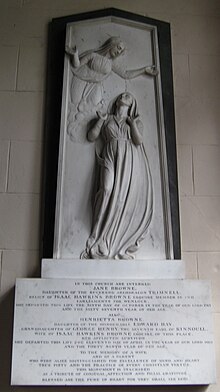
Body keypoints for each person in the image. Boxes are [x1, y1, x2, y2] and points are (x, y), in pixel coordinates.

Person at [81, 92, 153, 259]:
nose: (126, 94)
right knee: (106, 190)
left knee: (120, 198)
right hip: (109, 156)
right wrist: (100, 120)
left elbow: (138, 141)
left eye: (129, 96)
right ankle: (96, 233)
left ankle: (107, 239)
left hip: (127, 159)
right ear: (118, 102)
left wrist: (132, 123)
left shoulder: (134, 122)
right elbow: (91, 136)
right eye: (123, 95)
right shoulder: (107, 119)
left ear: (132, 104)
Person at [65, 37, 157, 140]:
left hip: (95, 85)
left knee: (93, 102)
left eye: (121, 50)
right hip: (81, 79)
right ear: (112, 45)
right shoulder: (93, 55)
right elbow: (77, 65)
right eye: (118, 48)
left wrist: (144, 70)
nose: (118, 51)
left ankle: (82, 129)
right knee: (74, 102)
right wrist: (75, 55)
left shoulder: (111, 64)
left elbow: (126, 74)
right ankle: (72, 128)